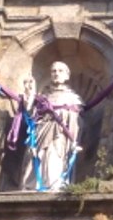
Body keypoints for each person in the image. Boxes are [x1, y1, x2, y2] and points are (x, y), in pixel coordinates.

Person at [21, 61, 85, 192]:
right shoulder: (43, 97)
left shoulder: (73, 98)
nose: (56, 73)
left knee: (53, 155)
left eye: (60, 71)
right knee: (36, 155)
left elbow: (79, 120)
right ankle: (34, 184)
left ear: (67, 75)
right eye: (53, 71)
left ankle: (53, 183)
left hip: (60, 135)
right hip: (41, 131)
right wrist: (30, 95)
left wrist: (62, 115)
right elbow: (30, 115)